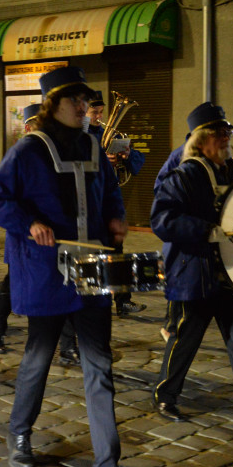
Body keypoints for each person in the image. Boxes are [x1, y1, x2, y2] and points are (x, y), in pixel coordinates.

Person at [0, 66, 150, 467]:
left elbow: (109, 191)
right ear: (53, 105)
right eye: (73, 100)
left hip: (90, 268)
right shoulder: (29, 149)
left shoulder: (93, 143)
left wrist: (115, 219)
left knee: (100, 366)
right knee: (38, 357)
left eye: (84, 99)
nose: (82, 106)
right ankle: (19, 434)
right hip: (46, 271)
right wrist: (28, 222)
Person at [150, 102, 233, 432]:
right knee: (183, 341)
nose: (226, 139)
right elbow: (162, 219)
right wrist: (206, 230)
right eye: (220, 134)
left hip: (232, 276)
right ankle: (166, 396)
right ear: (202, 140)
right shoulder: (185, 173)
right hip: (194, 273)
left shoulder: (231, 171)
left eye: (228, 132)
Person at [0, 102, 79, 363]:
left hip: (58, 238)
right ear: (28, 127)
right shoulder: (20, 155)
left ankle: (67, 345)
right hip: (24, 240)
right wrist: (28, 221)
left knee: (67, 284)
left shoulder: (56, 153)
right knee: (9, 286)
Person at [87, 91, 146, 316]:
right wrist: (104, 158)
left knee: (118, 254)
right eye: (95, 112)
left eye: (102, 112)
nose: (99, 116)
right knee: (94, 255)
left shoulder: (106, 133)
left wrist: (126, 154)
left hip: (109, 203)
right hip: (91, 204)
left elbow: (137, 164)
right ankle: (93, 304)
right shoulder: (80, 135)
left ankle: (123, 302)